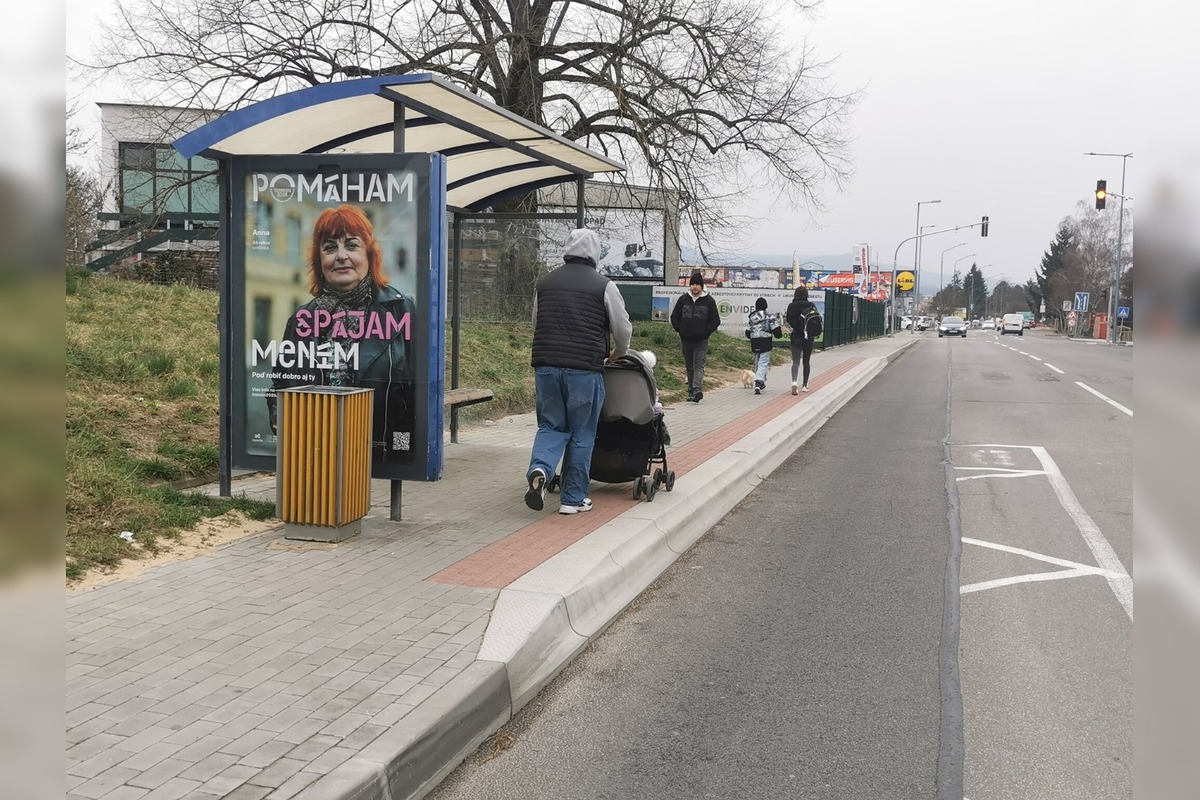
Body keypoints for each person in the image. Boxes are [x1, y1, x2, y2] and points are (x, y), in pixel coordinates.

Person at [268, 204, 416, 463]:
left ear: (369, 254)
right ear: (319, 260)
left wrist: (401, 453)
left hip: (378, 454)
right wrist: (290, 436)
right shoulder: (303, 319)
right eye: (329, 247)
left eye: (351, 245)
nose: (341, 256)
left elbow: (414, 391)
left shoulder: (400, 309)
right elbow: (280, 387)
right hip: (318, 455)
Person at [525, 228, 633, 515]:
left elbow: (536, 322)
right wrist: (619, 352)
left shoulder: (545, 283)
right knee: (582, 433)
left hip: (546, 367)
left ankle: (540, 468)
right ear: (595, 253)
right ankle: (573, 499)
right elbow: (622, 328)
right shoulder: (604, 285)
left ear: (567, 249)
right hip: (584, 370)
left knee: (551, 426)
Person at [670, 271, 720, 402]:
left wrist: (706, 332)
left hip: (701, 340)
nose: (695, 287)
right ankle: (691, 391)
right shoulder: (683, 299)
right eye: (692, 284)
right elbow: (674, 316)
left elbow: (715, 320)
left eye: (697, 284)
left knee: (699, 364)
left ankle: (697, 390)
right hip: (685, 339)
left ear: (702, 286)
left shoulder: (709, 301)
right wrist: (680, 329)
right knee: (689, 366)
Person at [745, 297, 783, 395]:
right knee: (763, 362)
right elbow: (776, 331)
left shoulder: (752, 317)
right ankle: (758, 382)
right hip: (765, 341)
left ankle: (761, 382)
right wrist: (778, 334)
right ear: (765, 306)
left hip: (754, 341)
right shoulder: (769, 316)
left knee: (757, 362)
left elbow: (748, 332)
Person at [786, 285, 818, 395]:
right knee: (806, 361)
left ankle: (794, 382)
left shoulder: (791, 306)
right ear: (806, 294)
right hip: (808, 337)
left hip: (796, 336)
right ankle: (805, 385)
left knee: (795, 361)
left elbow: (788, 319)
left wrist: (796, 326)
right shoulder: (811, 305)